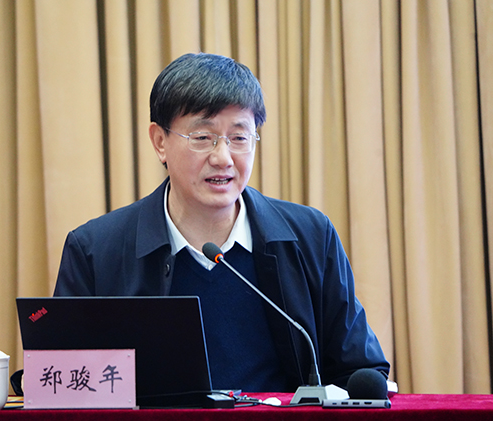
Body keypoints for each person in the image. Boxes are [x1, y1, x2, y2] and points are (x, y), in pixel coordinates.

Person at [53, 52, 390, 392]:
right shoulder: (95, 251)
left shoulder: (311, 237)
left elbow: (359, 369)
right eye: (203, 137)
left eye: (239, 138)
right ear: (159, 142)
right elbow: (64, 384)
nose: (223, 157)